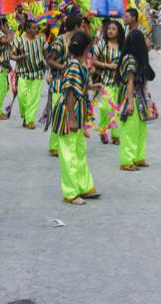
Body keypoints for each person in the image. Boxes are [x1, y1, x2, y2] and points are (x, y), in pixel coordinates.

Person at [50, 31, 99, 205]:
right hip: (69, 113)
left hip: (77, 113)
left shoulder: (79, 64)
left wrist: (93, 87)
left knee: (79, 151)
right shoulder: (73, 65)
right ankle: (70, 192)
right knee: (69, 153)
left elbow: (80, 87)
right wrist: (71, 118)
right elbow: (70, 92)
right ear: (87, 47)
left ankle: (84, 186)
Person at [44, 15, 84, 156]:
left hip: (70, 82)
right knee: (58, 114)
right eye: (82, 26)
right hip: (58, 82)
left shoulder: (75, 41)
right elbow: (49, 60)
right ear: (76, 27)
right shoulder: (60, 41)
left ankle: (63, 143)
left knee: (66, 113)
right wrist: (64, 67)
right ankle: (54, 146)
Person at [117, 29, 156, 171]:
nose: (148, 42)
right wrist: (130, 103)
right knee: (130, 130)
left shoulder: (138, 58)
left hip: (140, 97)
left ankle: (138, 157)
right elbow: (130, 82)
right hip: (131, 97)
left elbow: (151, 76)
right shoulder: (130, 59)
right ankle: (127, 160)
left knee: (140, 129)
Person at [90, 19, 124, 145]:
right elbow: (93, 61)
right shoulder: (101, 45)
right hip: (105, 81)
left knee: (117, 109)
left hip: (119, 82)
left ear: (119, 31)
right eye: (109, 28)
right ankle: (103, 130)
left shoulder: (123, 46)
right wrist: (107, 65)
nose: (110, 31)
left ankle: (116, 136)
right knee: (105, 107)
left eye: (114, 29)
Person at [11, 19, 47, 129]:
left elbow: (48, 53)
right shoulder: (19, 41)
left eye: (37, 28)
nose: (36, 30)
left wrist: (46, 63)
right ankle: (26, 115)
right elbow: (11, 55)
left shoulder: (41, 41)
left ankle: (30, 120)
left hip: (38, 73)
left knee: (34, 98)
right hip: (23, 73)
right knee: (22, 96)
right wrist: (19, 57)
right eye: (33, 28)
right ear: (27, 29)